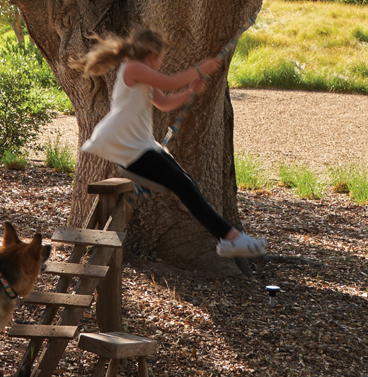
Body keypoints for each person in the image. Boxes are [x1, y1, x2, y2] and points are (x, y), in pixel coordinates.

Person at [81, 29, 267, 254]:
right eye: (161, 57)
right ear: (152, 53)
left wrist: (189, 92)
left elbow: (164, 102)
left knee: (186, 183)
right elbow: (169, 82)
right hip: (128, 146)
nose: (161, 62)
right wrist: (201, 68)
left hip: (141, 145)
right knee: (184, 185)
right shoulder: (134, 68)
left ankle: (227, 238)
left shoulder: (143, 73)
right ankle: (230, 237)